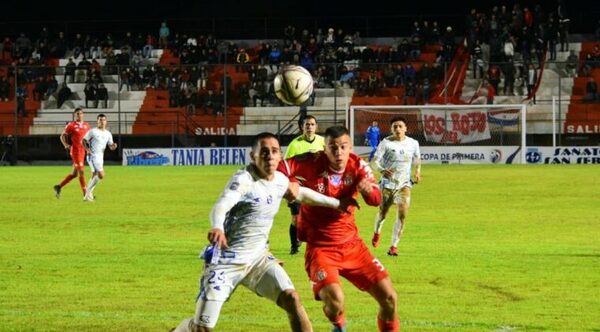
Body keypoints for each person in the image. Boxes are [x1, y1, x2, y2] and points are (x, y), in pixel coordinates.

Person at [172, 132, 356, 332]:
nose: (269, 156)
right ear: (253, 156)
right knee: (201, 329)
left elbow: (303, 194)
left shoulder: (280, 180)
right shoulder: (244, 180)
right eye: (264, 152)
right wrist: (217, 225)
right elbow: (222, 204)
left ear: (280, 156)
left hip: (258, 259)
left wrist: (337, 204)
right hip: (226, 260)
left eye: (274, 151)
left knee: (292, 299)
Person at [278, 126, 400, 332]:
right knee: (335, 302)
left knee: (389, 298)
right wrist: (287, 183)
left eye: (343, 147)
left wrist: (369, 192)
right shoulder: (311, 161)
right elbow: (282, 168)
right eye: (332, 147)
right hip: (321, 249)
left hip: (353, 246)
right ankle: (339, 324)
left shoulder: (358, 165)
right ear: (324, 149)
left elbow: (376, 199)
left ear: (350, 147)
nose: (338, 152)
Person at [370, 117, 421, 256]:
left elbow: (417, 158)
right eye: (395, 127)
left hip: (404, 185)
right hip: (387, 185)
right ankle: (377, 232)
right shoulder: (385, 143)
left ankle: (393, 246)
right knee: (383, 213)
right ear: (391, 129)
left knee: (403, 215)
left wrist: (417, 171)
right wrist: (381, 170)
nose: (398, 129)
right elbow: (374, 162)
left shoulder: (413, 143)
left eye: (400, 126)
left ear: (405, 128)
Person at [283, 115, 325, 255]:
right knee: (296, 217)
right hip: (298, 185)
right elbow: (286, 167)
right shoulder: (294, 145)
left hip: (316, 185)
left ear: (316, 127)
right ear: (302, 127)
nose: (310, 127)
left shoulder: (322, 142)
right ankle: (294, 246)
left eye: (312, 124)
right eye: (307, 125)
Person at [53, 107, 91, 199]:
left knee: (74, 174)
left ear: (83, 115)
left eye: (81, 113)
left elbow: (88, 139)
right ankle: (85, 194)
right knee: (81, 171)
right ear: (75, 115)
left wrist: (89, 149)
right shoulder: (71, 125)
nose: (79, 115)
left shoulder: (87, 125)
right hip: (75, 151)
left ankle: (58, 187)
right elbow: (62, 136)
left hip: (82, 152)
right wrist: (65, 144)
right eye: (77, 114)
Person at [81, 114, 117, 202]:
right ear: (97, 121)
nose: (102, 121)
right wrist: (87, 150)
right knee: (101, 175)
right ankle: (87, 194)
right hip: (93, 156)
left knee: (94, 175)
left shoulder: (108, 133)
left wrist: (113, 146)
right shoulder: (93, 131)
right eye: (100, 120)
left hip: (100, 157)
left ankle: (87, 196)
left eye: (103, 120)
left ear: (106, 121)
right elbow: (83, 140)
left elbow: (110, 146)